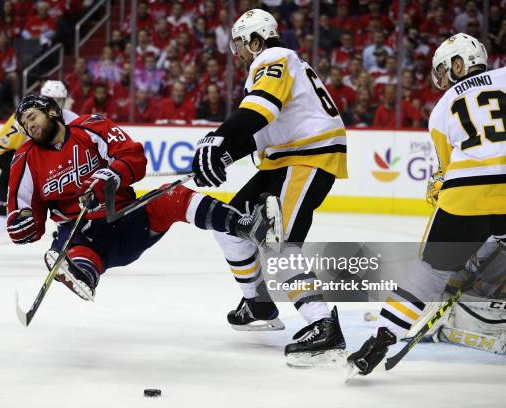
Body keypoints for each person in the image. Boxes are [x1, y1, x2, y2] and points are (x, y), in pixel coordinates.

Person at [6, 95, 282, 302]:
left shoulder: (92, 127)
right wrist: (22, 227)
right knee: (69, 247)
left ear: (52, 111)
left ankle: (248, 226)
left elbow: (134, 158)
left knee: (173, 196)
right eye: (24, 124)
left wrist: (109, 177)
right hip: (84, 232)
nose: (29, 126)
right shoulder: (25, 159)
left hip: (127, 218)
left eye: (32, 117)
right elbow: (23, 212)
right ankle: (84, 274)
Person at [191, 9, 348, 366]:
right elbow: (262, 128)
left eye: (240, 44)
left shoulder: (274, 57)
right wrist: (222, 157)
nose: (237, 53)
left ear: (256, 39)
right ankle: (258, 303)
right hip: (284, 159)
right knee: (229, 225)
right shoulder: (275, 66)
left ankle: (323, 325)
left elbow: (259, 111)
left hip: (307, 158)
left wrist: (217, 141)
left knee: (279, 243)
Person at [348, 33, 506, 376]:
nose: (441, 78)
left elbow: (445, 170)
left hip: (467, 193)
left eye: (443, 69)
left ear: (458, 64)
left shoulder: (441, 108)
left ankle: (383, 337)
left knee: (430, 269)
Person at [0, 80, 78, 242]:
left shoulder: (72, 119)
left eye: (58, 100)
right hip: (16, 165)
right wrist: (21, 170)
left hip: (49, 166)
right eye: (49, 99)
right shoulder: (24, 118)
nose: (52, 105)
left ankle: (65, 227)